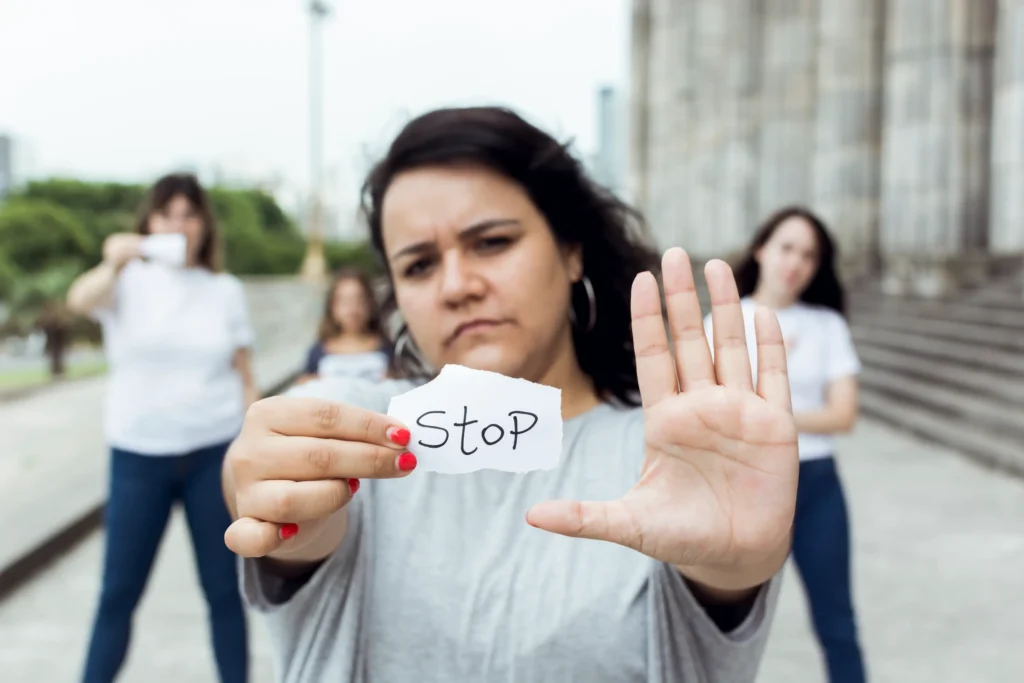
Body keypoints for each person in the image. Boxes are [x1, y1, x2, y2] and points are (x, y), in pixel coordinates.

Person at [222, 107, 800, 683]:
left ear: (571, 250)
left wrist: (736, 569)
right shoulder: (366, 431)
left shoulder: (672, 451)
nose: (457, 286)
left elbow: (717, 579)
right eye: (420, 265)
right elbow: (283, 496)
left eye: (491, 242)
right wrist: (278, 494)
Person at [67, 173, 255, 683]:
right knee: (117, 593)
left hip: (212, 454)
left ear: (203, 224)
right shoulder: (126, 282)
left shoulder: (224, 290)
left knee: (224, 592)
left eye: (189, 214)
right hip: (138, 455)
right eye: (167, 214)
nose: (179, 224)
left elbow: (245, 377)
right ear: (150, 221)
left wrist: (251, 449)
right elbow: (79, 301)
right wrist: (114, 259)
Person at [708, 206, 867, 683]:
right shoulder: (725, 322)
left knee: (837, 621)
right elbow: (713, 409)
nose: (795, 262)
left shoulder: (826, 325)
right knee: (723, 624)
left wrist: (765, 409)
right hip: (745, 484)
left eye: (809, 255)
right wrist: (786, 414)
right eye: (786, 248)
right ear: (762, 249)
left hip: (816, 484)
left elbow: (843, 414)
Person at [296, 267, 391, 384]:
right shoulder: (317, 352)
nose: (352, 310)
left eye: (359, 300)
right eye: (344, 302)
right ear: (332, 307)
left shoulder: (390, 349)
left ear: (370, 303)